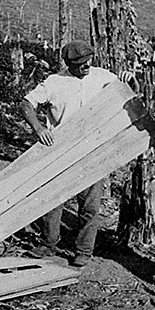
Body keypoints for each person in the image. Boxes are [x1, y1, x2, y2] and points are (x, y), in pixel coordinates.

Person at [19, 40, 134, 267]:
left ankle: (83, 250)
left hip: (91, 150)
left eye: (88, 60)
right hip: (60, 150)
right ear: (68, 63)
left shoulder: (103, 77)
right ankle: (49, 243)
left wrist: (130, 80)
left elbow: (128, 95)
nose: (86, 66)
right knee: (52, 199)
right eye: (79, 63)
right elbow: (26, 104)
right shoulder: (55, 82)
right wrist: (39, 128)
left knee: (90, 205)